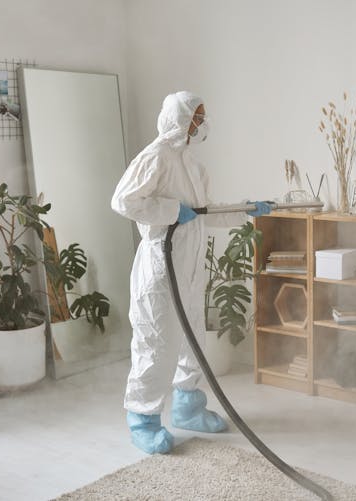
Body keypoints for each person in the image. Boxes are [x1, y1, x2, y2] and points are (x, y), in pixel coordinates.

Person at [111, 91, 271, 454]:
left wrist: (248, 210)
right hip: (160, 266)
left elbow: (205, 211)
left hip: (189, 265)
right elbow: (123, 201)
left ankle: (187, 407)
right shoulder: (155, 158)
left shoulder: (193, 166)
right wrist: (170, 210)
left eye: (203, 117)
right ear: (180, 119)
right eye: (197, 117)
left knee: (191, 340)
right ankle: (143, 419)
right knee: (156, 344)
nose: (203, 124)